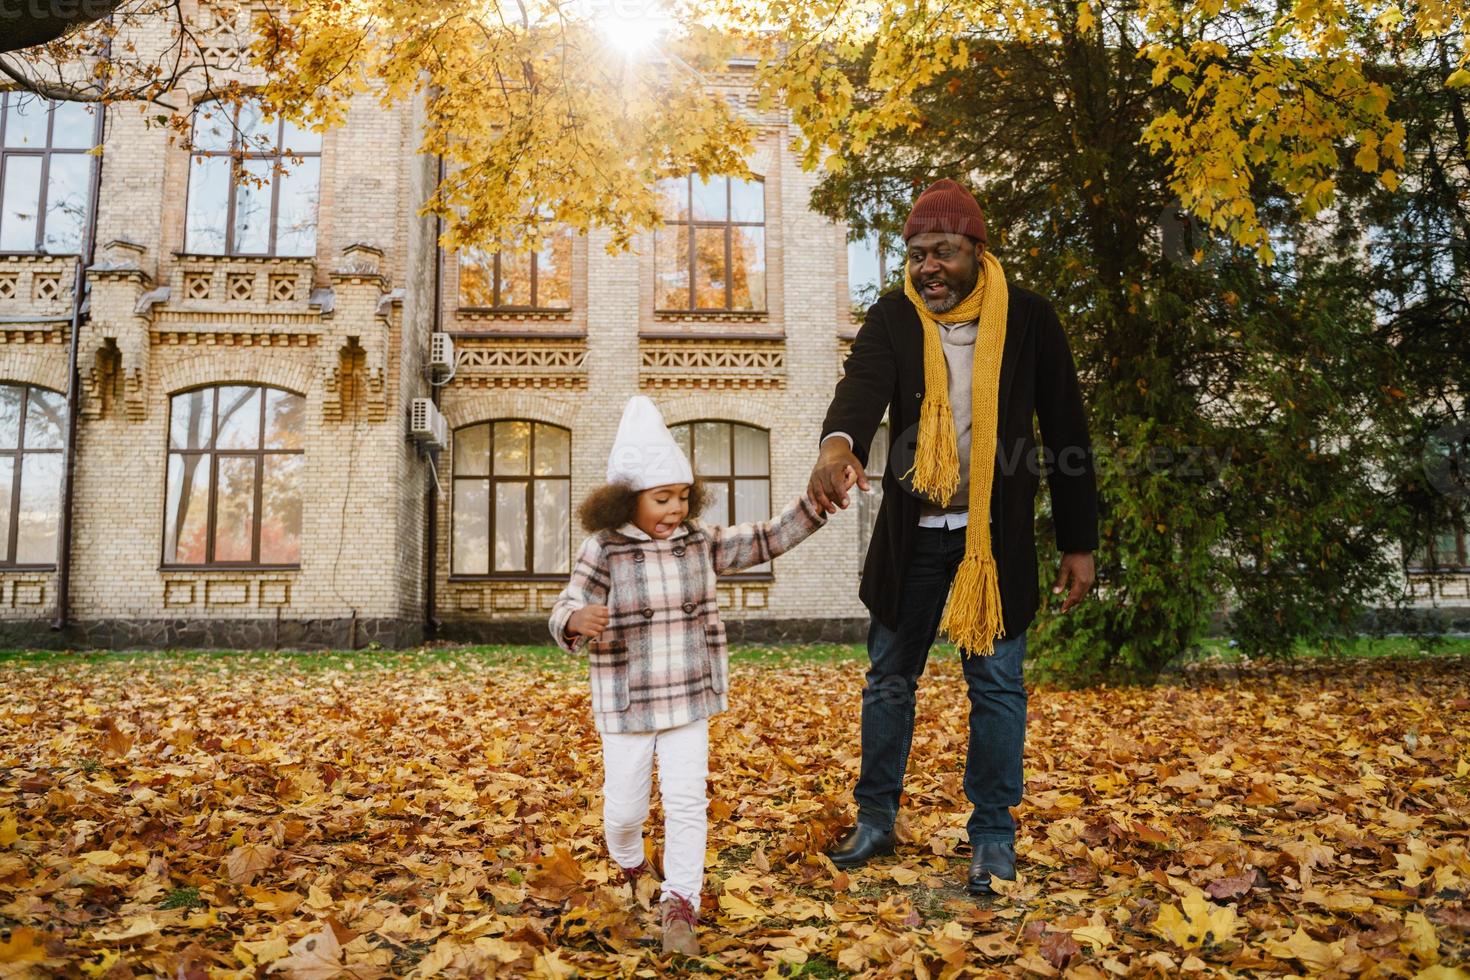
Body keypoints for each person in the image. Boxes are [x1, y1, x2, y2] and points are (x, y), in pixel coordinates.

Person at [809, 178, 1099, 896]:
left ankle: (993, 836)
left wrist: (1078, 542)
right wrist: (835, 446)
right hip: (913, 539)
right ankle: (876, 819)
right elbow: (860, 389)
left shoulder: (1029, 319)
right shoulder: (893, 319)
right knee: (888, 682)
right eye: (915, 255)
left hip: (991, 546)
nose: (927, 267)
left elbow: (1066, 429)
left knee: (997, 687)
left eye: (942, 252)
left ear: (977, 250)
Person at [550, 395, 835, 955]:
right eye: (662, 499)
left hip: (688, 695)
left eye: (683, 496)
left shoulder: (697, 543)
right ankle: (631, 859)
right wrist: (575, 620)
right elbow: (567, 604)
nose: (675, 509)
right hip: (627, 701)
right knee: (625, 808)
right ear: (626, 499)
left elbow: (764, 538)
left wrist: (816, 504)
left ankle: (681, 900)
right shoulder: (603, 549)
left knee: (686, 801)